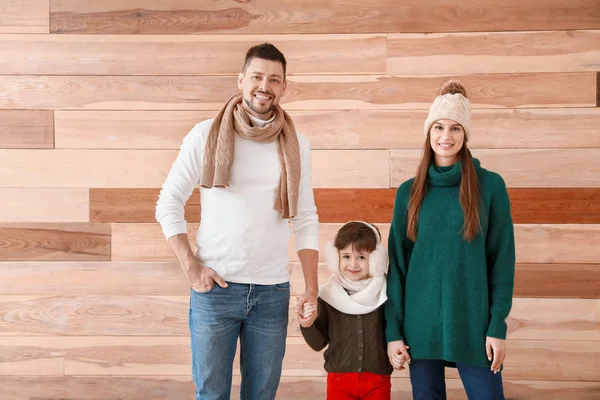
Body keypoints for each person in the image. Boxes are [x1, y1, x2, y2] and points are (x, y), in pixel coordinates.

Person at [155, 42, 319, 400]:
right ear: (241, 80)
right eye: (257, 76)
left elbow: (305, 216)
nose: (265, 85)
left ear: (284, 88)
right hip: (216, 290)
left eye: (274, 79)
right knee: (212, 394)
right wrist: (191, 267)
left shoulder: (298, 144)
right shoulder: (204, 135)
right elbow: (168, 202)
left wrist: (311, 286)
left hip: (272, 292)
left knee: (262, 395)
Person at [385, 80, 516, 400]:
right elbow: (397, 267)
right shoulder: (408, 192)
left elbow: (502, 261)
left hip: (472, 321)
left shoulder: (490, 187)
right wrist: (393, 331)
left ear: (465, 134)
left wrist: (497, 325)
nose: (446, 136)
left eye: (455, 128)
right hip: (420, 323)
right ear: (428, 132)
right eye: (439, 127)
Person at [299, 221, 397, 400]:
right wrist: (308, 324)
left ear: (376, 260)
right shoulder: (327, 296)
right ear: (335, 258)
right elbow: (318, 344)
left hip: (378, 380)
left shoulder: (386, 294)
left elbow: (395, 330)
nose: (353, 264)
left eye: (361, 257)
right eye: (345, 256)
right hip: (339, 381)